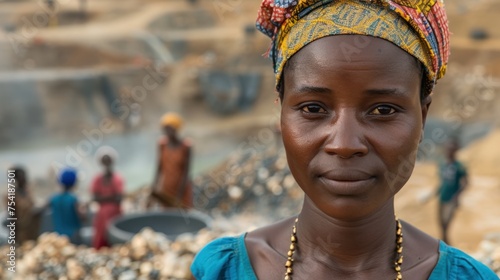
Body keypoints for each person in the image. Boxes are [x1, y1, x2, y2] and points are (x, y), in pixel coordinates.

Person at [191, 0, 497, 279]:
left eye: (383, 110)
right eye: (313, 108)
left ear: (423, 117)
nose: (345, 143)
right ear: (281, 114)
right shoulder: (219, 270)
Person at [149, 112, 193, 209]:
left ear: (177, 129)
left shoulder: (186, 146)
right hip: (167, 187)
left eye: (170, 128)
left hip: (181, 188)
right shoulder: (162, 144)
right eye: (165, 129)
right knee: (167, 215)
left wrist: (179, 195)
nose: (168, 131)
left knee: (182, 214)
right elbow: (159, 167)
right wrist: (154, 188)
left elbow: (186, 172)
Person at [91, 146, 124, 249]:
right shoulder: (97, 179)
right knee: (101, 239)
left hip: (115, 214)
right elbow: (95, 198)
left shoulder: (117, 178)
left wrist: (104, 198)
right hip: (102, 215)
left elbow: (119, 198)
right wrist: (112, 197)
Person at [437, 140, 468, 244]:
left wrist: (457, 196)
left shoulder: (459, 166)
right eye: (447, 149)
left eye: (451, 149)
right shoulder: (442, 164)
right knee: (441, 224)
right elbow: (442, 182)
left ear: (455, 151)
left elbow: (466, 183)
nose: (448, 151)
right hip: (442, 197)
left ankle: (446, 244)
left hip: (452, 199)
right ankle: (445, 243)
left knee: (446, 224)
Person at [3, 166, 41, 244]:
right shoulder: (11, 196)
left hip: (32, 230)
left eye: (24, 176)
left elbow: (31, 207)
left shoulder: (27, 192)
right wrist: (14, 239)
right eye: (21, 177)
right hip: (21, 233)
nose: (24, 179)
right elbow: (12, 217)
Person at [49, 168, 85, 244]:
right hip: (73, 235)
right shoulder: (74, 199)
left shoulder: (54, 198)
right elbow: (82, 217)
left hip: (58, 235)